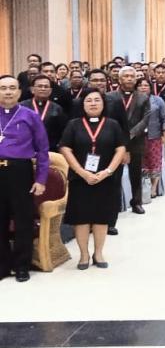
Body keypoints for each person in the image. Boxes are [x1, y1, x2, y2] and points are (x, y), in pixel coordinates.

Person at [59, 90, 126, 270]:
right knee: (81, 218)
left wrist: (108, 171)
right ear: (83, 104)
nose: (93, 103)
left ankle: (98, 253)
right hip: (80, 179)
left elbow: (120, 149)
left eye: (97, 100)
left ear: (103, 104)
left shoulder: (113, 125)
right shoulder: (73, 124)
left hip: (105, 179)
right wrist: (82, 172)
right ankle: (83, 255)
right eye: (89, 100)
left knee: (101, 217)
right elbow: (65, 148)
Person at [0, 75, 48, 282]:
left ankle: (22, 265)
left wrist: (41, 179)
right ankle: (2, 265)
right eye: (3, 88)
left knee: (22, 220)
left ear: (20, 92)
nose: (8, 92)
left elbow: (43, 150)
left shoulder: (30, 116)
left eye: (12, 88)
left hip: (20, 171)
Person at [105, 66, 150, 225]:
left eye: (132, 76)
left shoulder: (143, 97)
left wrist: (130, 134)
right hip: (115, 142)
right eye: (126, 76)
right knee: (114, 174)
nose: (130, 78)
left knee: (135, 173)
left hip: (136, 140)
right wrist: (120, 136)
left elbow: (145, 119)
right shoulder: (109, 96)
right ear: (119, 78)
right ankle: (115, 204)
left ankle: (136, 202)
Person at [136, 78, 165, 198]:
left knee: (155, 162)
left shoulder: (158, 100)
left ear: (150, 88)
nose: (143, 87)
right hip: (138, 137)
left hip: (154, 135)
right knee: (142, 162)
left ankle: (154, 188)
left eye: (146, 85)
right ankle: (145, 186)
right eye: (140, 85)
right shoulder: (133, 101)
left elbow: (164, 118)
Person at [20, 75, 67, 152]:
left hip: (50, 150)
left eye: (46, 86)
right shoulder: (22, 106)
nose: (43, 89)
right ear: (32, 89)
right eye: (40, 86)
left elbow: (62, 132)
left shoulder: (57, 108)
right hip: (25, 150)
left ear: (50, 90)